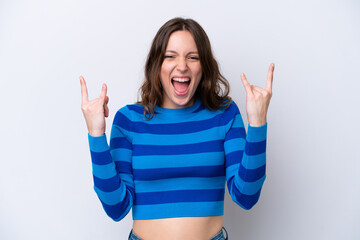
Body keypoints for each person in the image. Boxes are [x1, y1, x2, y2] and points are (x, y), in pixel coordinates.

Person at [80, 17, 274, 240]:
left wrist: (258, 124)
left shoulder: (225, 114)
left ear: (204, 66)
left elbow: (246, 197)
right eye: (170, 56)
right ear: (157, 64)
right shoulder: (128, 120)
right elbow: (116, 208)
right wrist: (96, 135)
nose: (182, 66)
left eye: (193, 57)